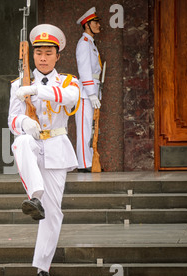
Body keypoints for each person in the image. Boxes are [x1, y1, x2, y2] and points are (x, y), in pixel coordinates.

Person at [8, 24, 80, 276]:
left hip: (57, 146)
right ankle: (34, 196)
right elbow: (12, 119)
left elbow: (70, 99)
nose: (42, 57)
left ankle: (42, 268)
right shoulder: (19, 83)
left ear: (57, 55)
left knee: (54, 212)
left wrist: (37, 90)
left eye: (48, 52)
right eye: (38, 52)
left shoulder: (68, 82)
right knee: (22, 141)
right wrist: (23, 123)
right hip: (35, 143)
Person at [75, 7, 102, 172]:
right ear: (87, 25)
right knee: (85, 129)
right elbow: (84, 70)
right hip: (86, 94)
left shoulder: (91, 43)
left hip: (93, 91)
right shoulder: (83, 44)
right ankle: (84, 164)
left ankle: (91, 162)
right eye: (95, 22)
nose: (99, 25)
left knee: (92, 129)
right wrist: (91, 93)